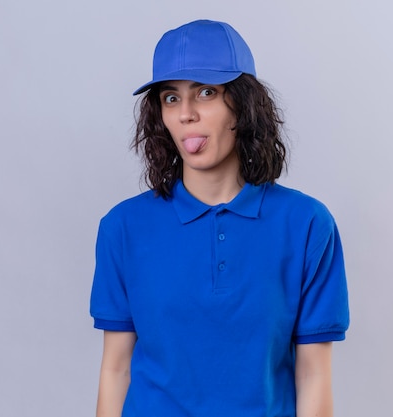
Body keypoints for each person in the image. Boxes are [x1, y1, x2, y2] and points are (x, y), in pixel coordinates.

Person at [90, 19, 349, 417]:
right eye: (171, 98)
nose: (186, 114)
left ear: (243, 105)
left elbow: (313, 375)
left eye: (206, 92)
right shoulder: (123, 229)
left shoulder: (307, 226)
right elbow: (116, 368)